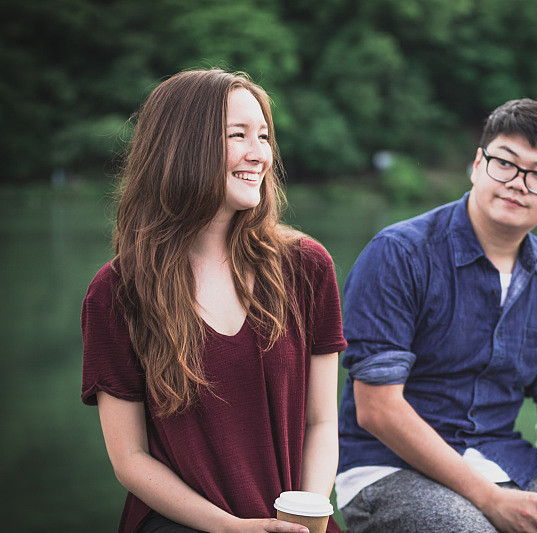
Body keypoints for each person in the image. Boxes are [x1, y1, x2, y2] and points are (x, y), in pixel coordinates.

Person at [336, 98, 537, 532]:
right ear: (477, 165)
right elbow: (377, 410)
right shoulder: (400, 254)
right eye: (505, 163)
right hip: (389, 468)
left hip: (506, 459)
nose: (518, 183)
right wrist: (491, 499)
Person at [80, 69, 347, 533]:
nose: (259, 153)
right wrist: (229, 527)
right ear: (183, 145)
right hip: (180, 523)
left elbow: (321, 421)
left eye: (264, 136)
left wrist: (303, 515)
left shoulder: (306, 267)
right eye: (237, 135)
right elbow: (130, 459)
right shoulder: (118, 292)